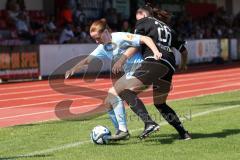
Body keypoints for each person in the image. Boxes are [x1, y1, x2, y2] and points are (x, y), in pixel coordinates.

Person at [65, 19, 161, 140]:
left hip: (141, 71)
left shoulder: (120, 37)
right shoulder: (102, 47)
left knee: (113, 91)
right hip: (130, 75)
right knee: (108, 102)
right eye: (94, 39)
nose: (96, 41)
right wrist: (73, 69)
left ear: (105, 32)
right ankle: (120, 131)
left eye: (98, 38)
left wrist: (156, 52)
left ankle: (124, 130)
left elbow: (145, 39)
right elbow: (87, 60)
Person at [106, 5, 191, 140]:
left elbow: (136, 44)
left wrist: (121, 60)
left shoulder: (144, 22)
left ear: (143, 15)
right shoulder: (169, 29)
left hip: (154, 61)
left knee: (123, 90)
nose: (136, 20)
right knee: (160, 103)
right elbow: (184, 51)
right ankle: (184, 133)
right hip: (169, 66)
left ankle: (149, 123)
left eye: (137, 17)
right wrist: (183, 64)